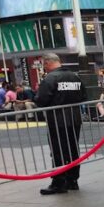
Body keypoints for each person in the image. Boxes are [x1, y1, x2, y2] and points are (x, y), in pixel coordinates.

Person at [34, 53, 85, 195]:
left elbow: (41, 100)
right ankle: (72, 180)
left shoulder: (50, 78)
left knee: (58, 152)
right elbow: (83, 96)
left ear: (48, 63)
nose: (44, 67)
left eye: (44, 64)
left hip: (57, 120)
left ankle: (59, 182)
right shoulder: (75, 77)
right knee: (73, 150)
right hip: (74, 119)